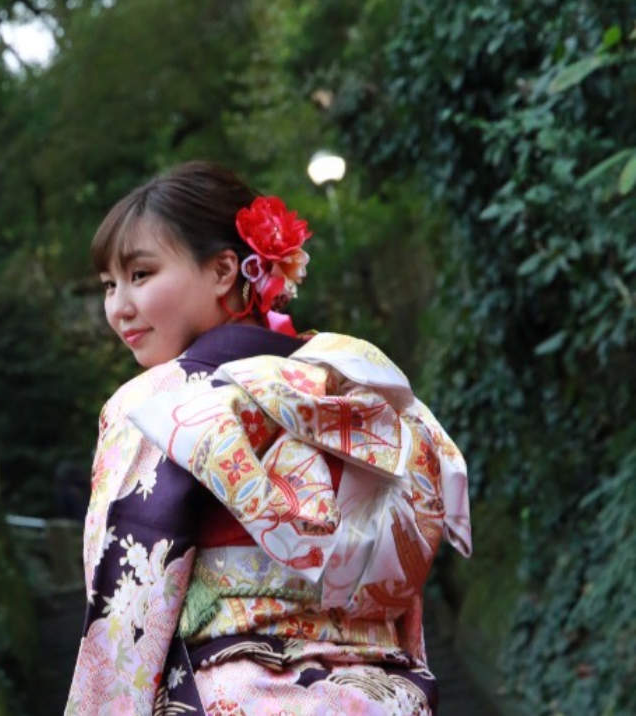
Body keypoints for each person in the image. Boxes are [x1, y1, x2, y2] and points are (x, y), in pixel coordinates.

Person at [65, 161, 471, 715]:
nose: (119, 307)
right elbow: (401, 564)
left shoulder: (158, 403)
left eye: (140, 275)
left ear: (225, 269)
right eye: (109, 285)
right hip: (386, 694)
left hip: (241, 693)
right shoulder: (353, 379)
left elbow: (127, 597)